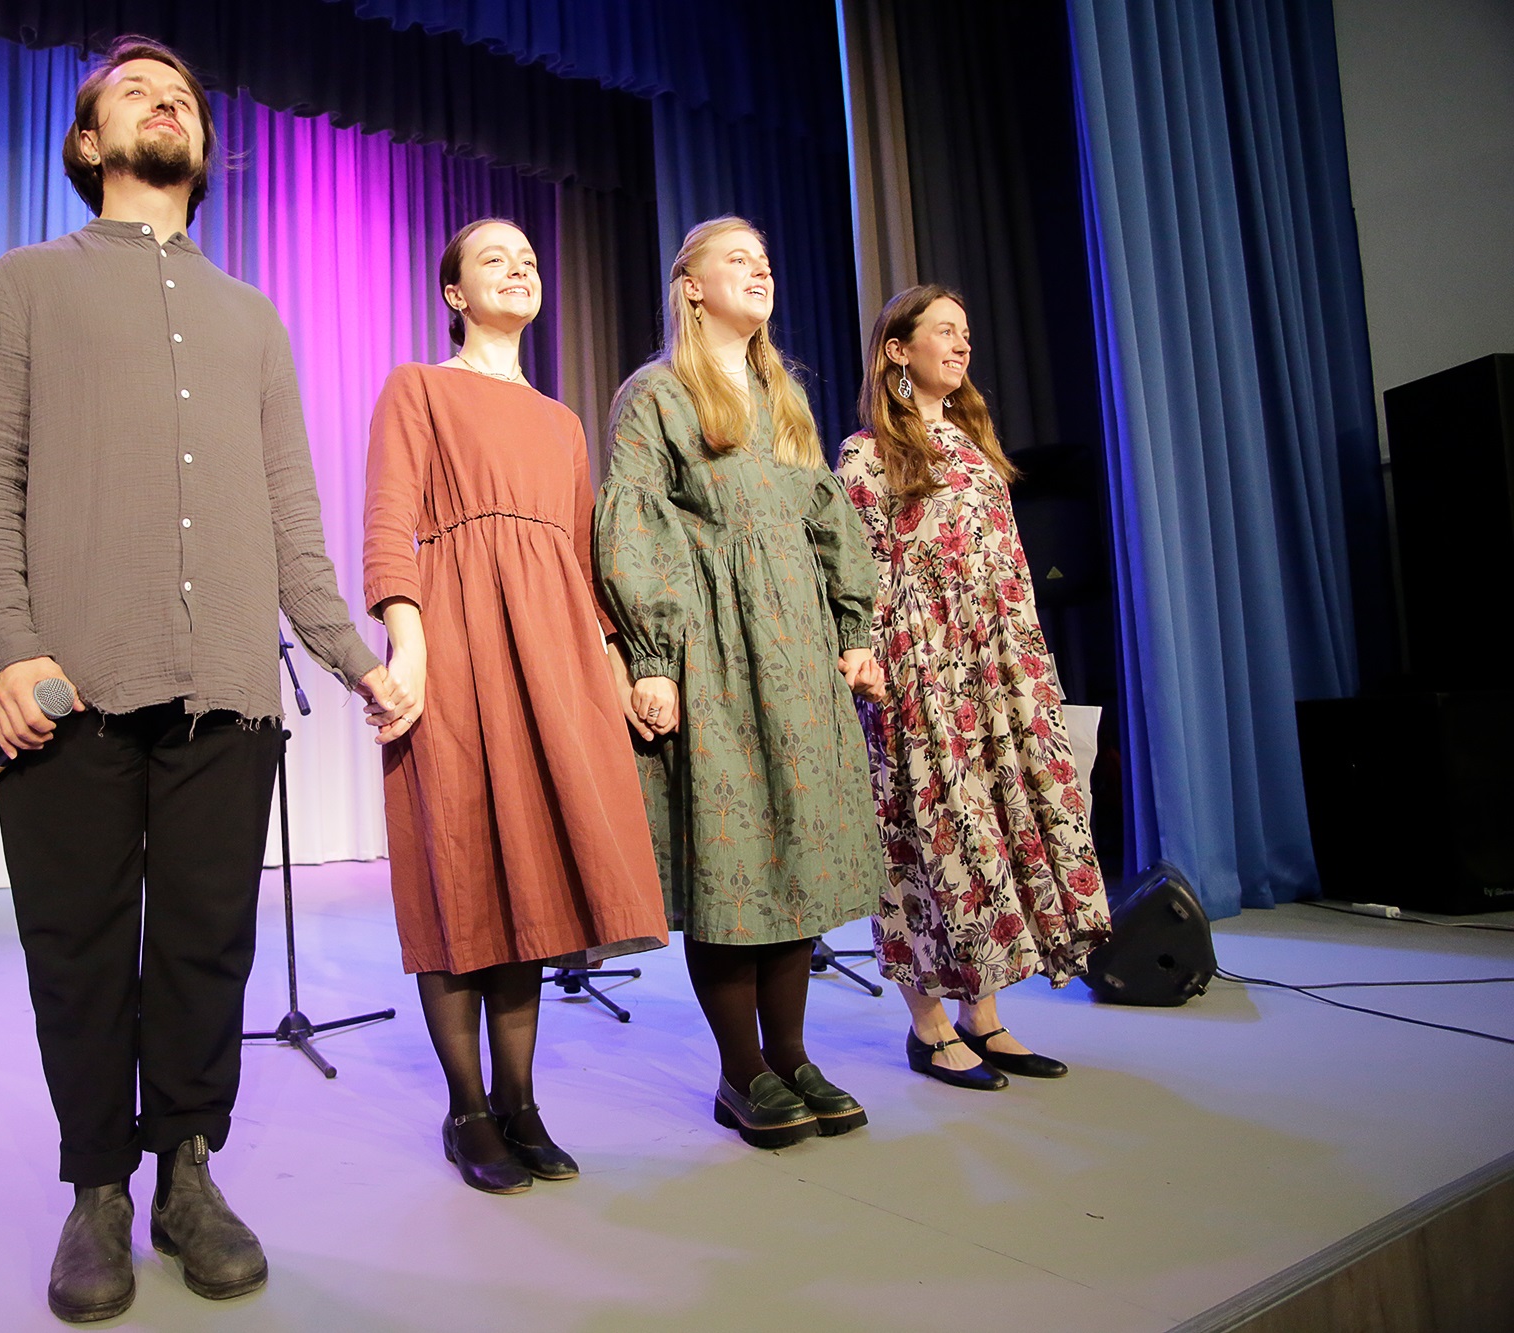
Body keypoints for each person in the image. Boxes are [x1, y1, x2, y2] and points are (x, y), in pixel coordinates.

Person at [0, 36, 407, 1323]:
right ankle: (97, 1188)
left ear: (203, 150)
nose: (168, 102)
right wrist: (8, 647)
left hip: (227, 688)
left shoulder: (252, 317)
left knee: (207, 945)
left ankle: (187, 1175)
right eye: (135, 90)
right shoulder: (24, 284)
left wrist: (355, 659)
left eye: (187, 98)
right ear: (86, 140)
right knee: (79, 947)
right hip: (72, 684)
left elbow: (291, 517)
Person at [362, 218, 668, 1195]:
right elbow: (387, 523)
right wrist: (407, 644)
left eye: (529, 257)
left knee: (530, 869)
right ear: (453, 294)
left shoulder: (561, 422)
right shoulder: (418, 387)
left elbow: (579, 559)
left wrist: (610, 666)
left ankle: (520, 1101)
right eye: (493, 257)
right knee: (459, 866)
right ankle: (467, 1109)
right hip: (456, 642)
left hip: (551, 653)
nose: (519, 267)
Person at [596, 216, 888, 1151]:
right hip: (713, 648)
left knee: (793, 849)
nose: (760, 270)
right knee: (732, 858)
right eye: (738, 259)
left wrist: (853, 629)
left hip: (796, 643)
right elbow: (632, 522)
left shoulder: (781, 394)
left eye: (765, 259)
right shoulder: (656, 393)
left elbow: (828, 515)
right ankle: (740, 1068)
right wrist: (652, 659)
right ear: (691, 285)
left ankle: (792, 1053)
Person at [836, 284, 1112, 1091]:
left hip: (996, 666)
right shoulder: (864, 455)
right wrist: (874, 665)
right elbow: (860, 574)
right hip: (919, 669)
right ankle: (927, 1027)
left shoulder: (969, 443)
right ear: (898, 350)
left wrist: (1028, 664)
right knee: (929, 838)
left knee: (990, 828)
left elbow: (1009, 565)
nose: (961, 345)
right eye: (943, 331)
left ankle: (982, 1018)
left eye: (965, 332)